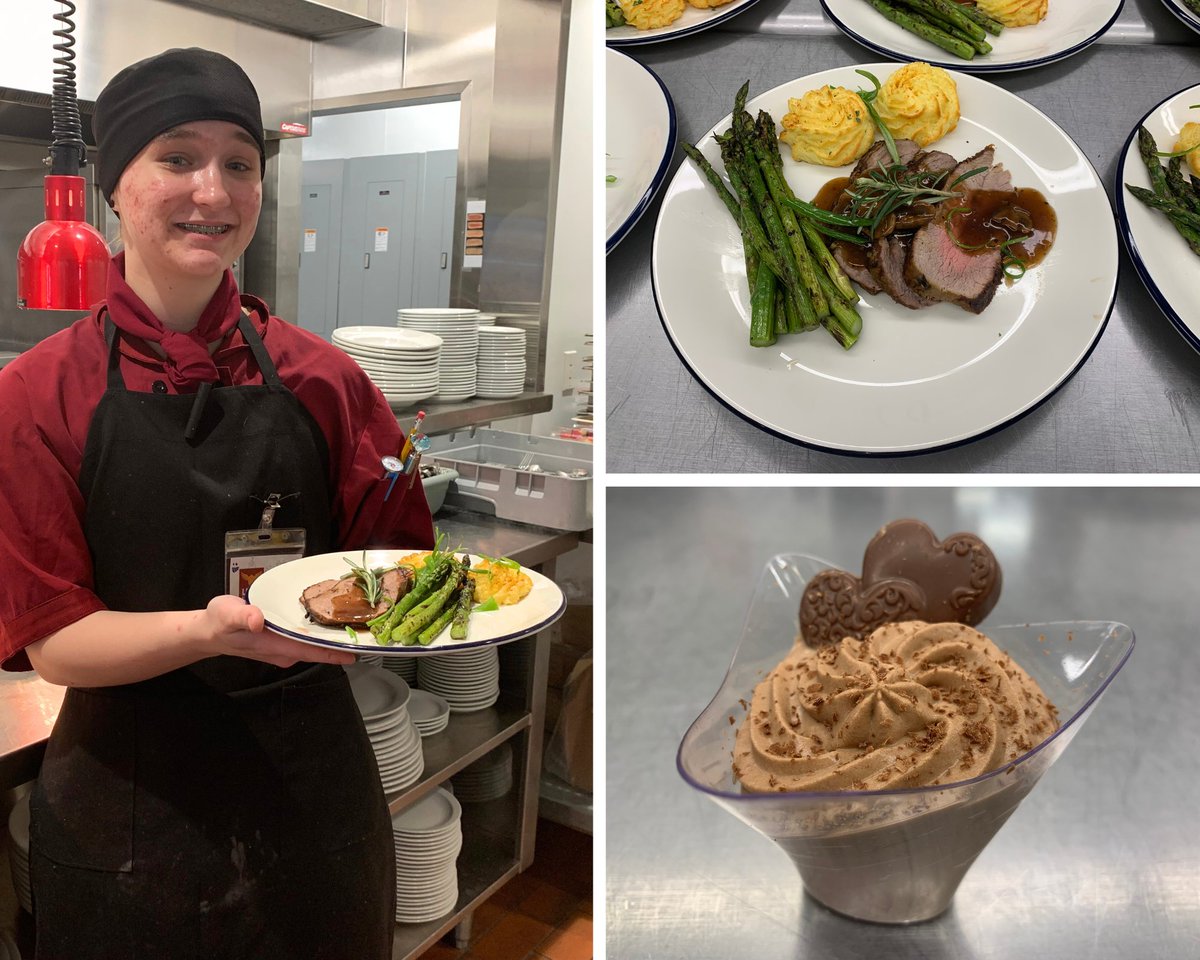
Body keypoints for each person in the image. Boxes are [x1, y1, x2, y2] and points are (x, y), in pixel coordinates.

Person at [0, 48, 434, 958]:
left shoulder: (329, 381)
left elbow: (398, 576)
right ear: (114, 187)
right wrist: (210, 631)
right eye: (177, 157)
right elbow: (57, 643)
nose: (214, 190)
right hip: (127, 805)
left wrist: (408, 605)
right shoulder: (39, 394)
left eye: (240, 162)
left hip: (314, 795)